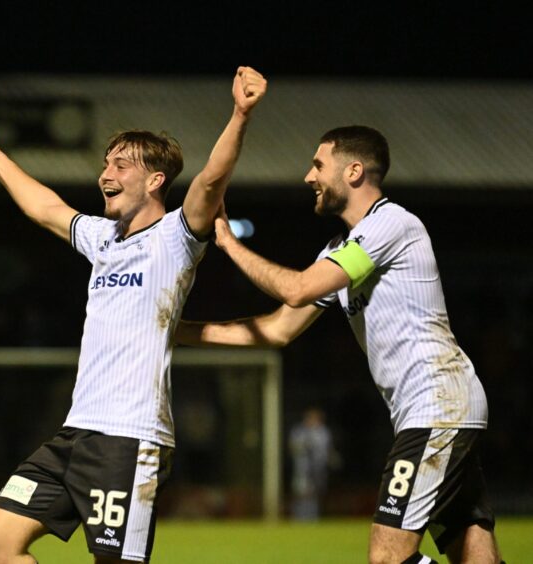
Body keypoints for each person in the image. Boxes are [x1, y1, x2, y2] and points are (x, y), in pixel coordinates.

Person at [0, 66, 267, 563]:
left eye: (122, 165)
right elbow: (46, 208)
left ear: (155, 180)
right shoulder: (104, 240)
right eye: (106, 163)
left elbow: (210, 182)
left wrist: (240, 114)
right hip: (74, 435)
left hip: (129, 439)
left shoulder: (174, 238)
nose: (106, 173)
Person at [176, 126, 503, 563]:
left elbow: (297, 289)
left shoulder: (390, 224)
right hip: (435, 409)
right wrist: (175, 329)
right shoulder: (341, 248)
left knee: (388, 558)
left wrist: (229, 244)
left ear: (353, 171)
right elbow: (277, 330)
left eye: (318, 165)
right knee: (472, 551)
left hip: (438, 406)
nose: (309, 177)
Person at [289, 406, 338, 521]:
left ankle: (313, 517)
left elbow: (328, 449)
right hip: (302, 468)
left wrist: (332, 459)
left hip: (318, 468)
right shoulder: (299, 431)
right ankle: (299, 517)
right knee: (301, 493)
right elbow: (292, 447)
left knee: (315, 493)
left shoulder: (323, 432)